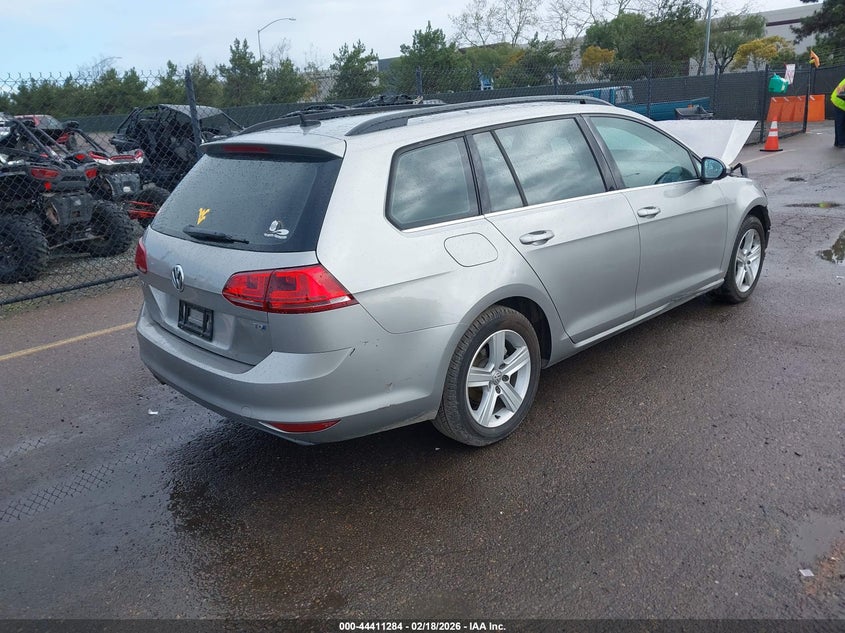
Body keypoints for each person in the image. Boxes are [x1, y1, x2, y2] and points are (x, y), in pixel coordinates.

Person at [832, 75, 845, 148]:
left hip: (838, 99)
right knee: (841, 123)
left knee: (839, 122)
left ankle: (838, 142)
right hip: (840, 101)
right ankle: (841, 143)